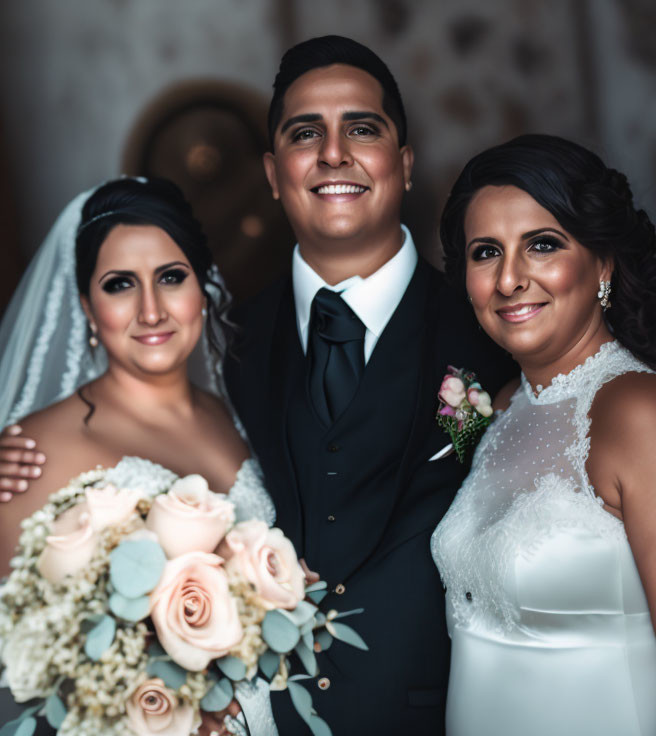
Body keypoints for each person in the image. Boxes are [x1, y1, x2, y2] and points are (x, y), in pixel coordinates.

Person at [1, 37, 514, 734]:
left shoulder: (497, 334)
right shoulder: (229, 345)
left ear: (405, 162)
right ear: (274, 173)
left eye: (362, 128)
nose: (334, 154)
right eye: (307, 134)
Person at [431, 134, 656, 736]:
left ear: (603, 263)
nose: (509, 279)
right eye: (486, 252)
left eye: (542, 245)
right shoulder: (503, 407)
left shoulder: (644, 415)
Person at [0, 177, 276, 736]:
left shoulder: (242, 412)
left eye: (171, 278)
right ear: (86, 305)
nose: (151, 310)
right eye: (120, 284)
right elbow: (27, 661)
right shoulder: (32, 452)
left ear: (203, 287)